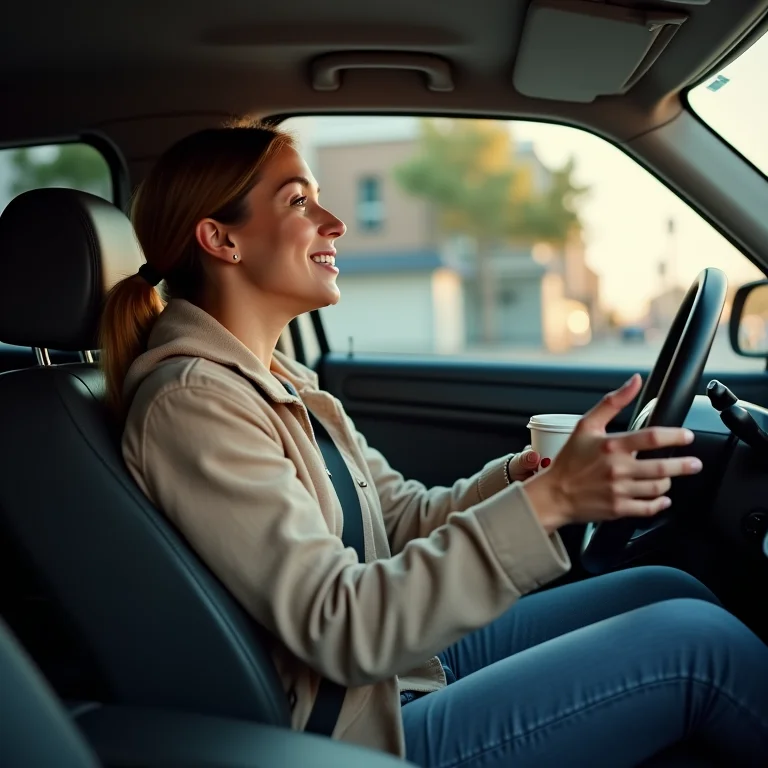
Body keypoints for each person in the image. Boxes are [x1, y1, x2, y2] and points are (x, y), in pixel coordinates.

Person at [99, 122, 768, 767]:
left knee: (662, 587)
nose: (335, 223)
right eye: (300, 201)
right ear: (221, 239)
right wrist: (552, 504)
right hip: (358, 736)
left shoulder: (274, 377)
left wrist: (529, 479)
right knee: (696, 646)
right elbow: (342, 625)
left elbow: (396, 520)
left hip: (399, 676)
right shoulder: (194, 403)